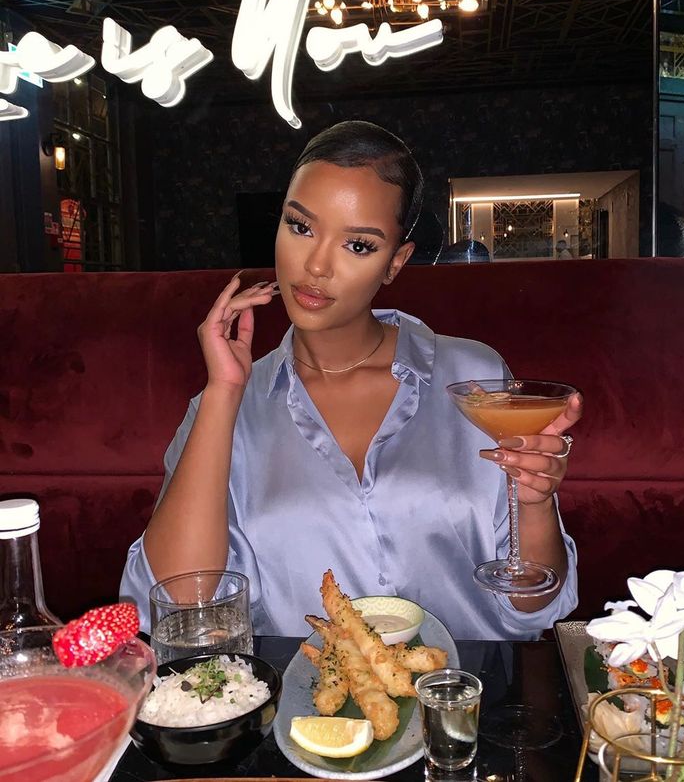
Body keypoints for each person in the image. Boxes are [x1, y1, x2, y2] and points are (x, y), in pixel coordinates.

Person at [121, 121, 582, 640]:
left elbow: (534, 610)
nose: (316, 265)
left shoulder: (473, 378)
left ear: (395, 263)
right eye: (300, 227)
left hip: (462, 701)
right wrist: (225, 393)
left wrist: (536, 502)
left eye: (358, 245)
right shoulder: (226, 404)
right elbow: (178, 609)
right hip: (307, 712)